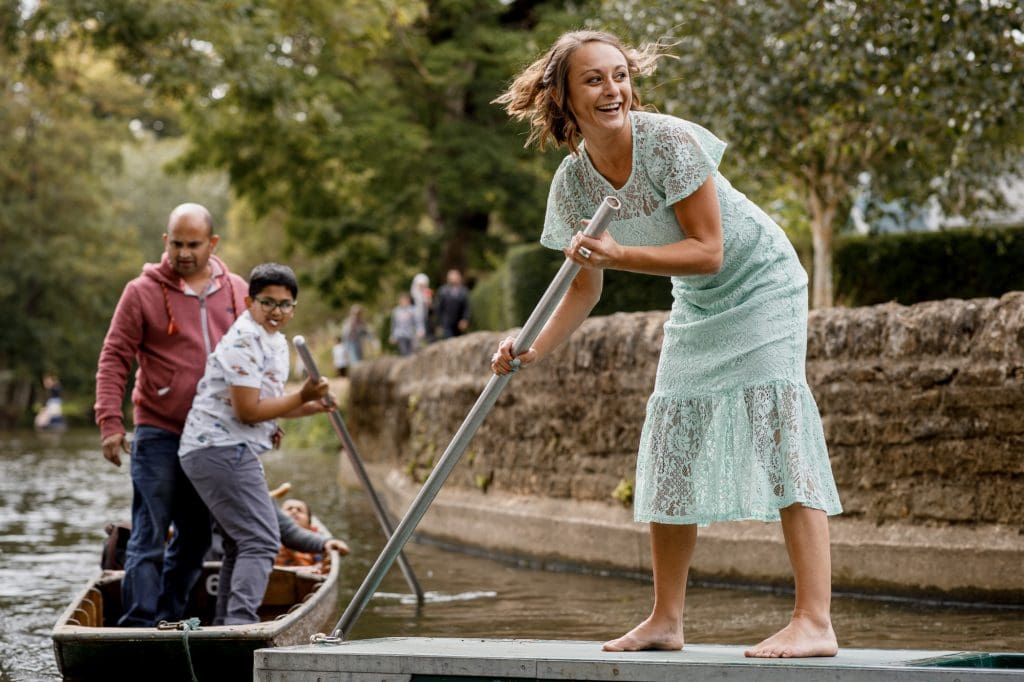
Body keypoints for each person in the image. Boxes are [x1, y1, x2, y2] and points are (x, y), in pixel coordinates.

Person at [490, 30, 842, 658]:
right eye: (593, 79)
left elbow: (709, 251)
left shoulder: (669, 143)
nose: (613, 89)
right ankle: (665, 621)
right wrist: (530, 347)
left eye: (619, 75)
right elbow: (582, 291)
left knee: (779, 428)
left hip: (761, 282)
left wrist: (621, 251)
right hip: (700, 304)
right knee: (672, 443)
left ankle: (814, 621)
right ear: (564, 96)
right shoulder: (573, 184)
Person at [94, 202, 247, 627]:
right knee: (148, 535)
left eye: (193, 244)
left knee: (196, 538)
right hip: (157, 432)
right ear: (166, 241)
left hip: (212, 437)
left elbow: (255, 360)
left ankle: (169, 618)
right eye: (176, 243)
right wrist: (110, 422)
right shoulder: (140, 292)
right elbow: (114, 358)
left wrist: (267, 418)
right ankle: (140, 626)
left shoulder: (236, 290)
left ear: (212, 243)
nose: (183, 252)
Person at [178, 262, 334, 625]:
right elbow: (249, 411)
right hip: (217, 448)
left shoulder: (274, 340)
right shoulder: (244, 339)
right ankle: (239, 625)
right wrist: (302, 394)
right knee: (262, 541)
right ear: (249, 301)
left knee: (241, 542)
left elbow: (267, 404)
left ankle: (225, 626)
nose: (277, 311)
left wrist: (311, 405)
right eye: (268, 302)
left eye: (286, 304)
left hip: (228, 449)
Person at [275, 497, 348, 568]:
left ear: (309, 523)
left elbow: (322, 567)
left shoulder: (317, 546)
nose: (294, 511)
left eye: (300, 510)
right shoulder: (272, 536)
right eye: (289, 509)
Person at [434, 269, 471, 338]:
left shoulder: (464, 291)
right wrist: (438, 324)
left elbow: (466, 307)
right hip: (446, 324)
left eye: (455, 278)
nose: (453, 280)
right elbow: (439, 308)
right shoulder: (443, 291)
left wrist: (465, 319)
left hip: (459, 324)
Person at [410, 273, 435, 346]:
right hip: (415, 323)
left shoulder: (428, 294)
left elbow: (432, 311)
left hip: (427, 321)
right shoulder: (412, 297)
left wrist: (429, 302)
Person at [389, 292, 418, 356]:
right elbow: (393, 324)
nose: (404, 302)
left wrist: (420, 330)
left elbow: (417, 322)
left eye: (405, 300)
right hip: (400, 334)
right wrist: (392, 336)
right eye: (402, 300)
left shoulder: (412, 310)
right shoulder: (396, 311)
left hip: (411, 334)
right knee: (404, 352)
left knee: (412, 353)